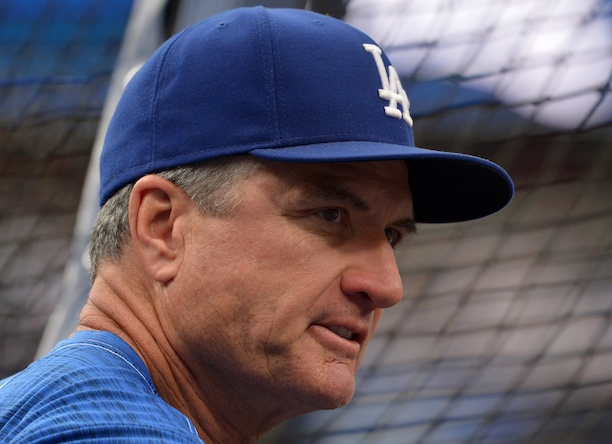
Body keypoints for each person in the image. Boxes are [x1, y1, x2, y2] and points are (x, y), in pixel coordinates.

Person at [0, 6, 513, 444]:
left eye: (392, 235)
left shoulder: (71, 405)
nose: (385, 287)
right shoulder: (106, 428)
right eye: (331, 215)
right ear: (162, 227)